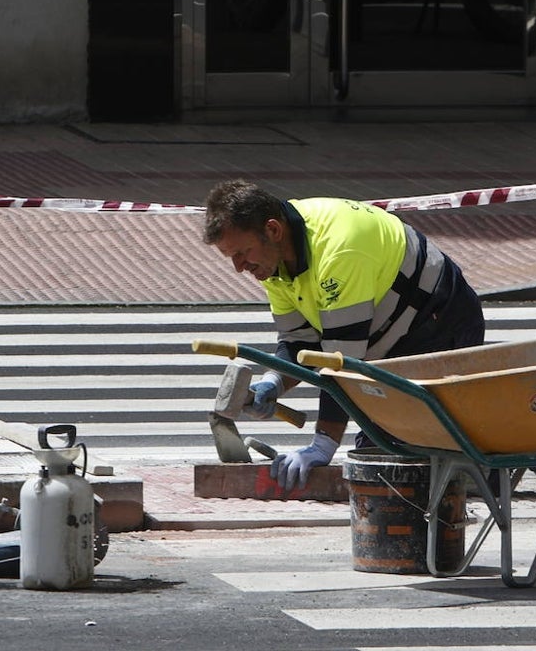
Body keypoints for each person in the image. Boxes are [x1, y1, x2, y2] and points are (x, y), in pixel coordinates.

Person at [202, 179, 485, 491]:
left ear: (273, 230)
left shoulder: (339, 251)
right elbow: (300, 342)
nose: (239, 268)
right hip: (391, 340)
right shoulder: (275, 261)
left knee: (394, 463)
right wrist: (274, 382)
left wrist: (323, 445)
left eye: (242, 253)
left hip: (441, 325)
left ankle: (502, 461)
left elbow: (341, 363)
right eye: (231, 256)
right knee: (378, 459)